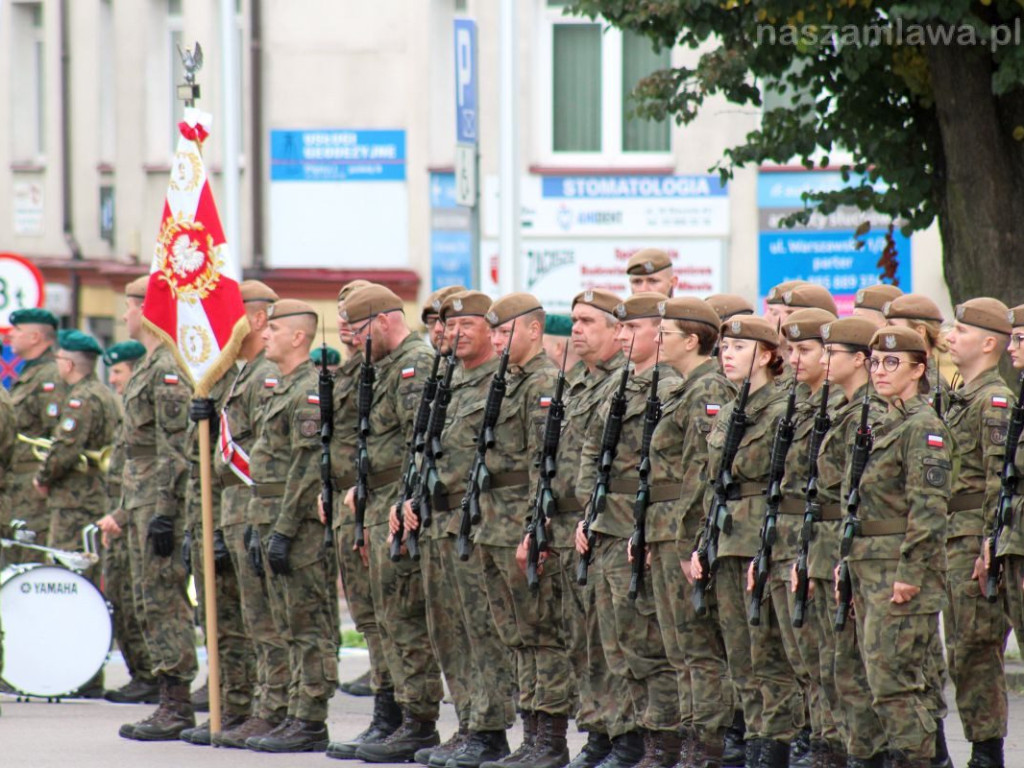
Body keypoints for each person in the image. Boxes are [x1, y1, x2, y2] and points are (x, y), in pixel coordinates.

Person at [334, 284, 443, 762]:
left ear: (382, 320)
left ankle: (416, 721)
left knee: (403, 620)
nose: (355, 341)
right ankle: (390, 714)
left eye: (359, 330)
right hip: (376, 502)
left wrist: (398, 499)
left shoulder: (413, 364)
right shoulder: (378, 367)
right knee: (379, 621)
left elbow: (418, 445)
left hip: (399, 505)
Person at [575, 292, 682, 767]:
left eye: (631, 328)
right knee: (616, 644)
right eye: (618, 328)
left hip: (643, 528)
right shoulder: (623, 384)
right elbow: (594, 456)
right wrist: (588, 516)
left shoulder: (672, 387)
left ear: (660, 332)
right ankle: (631, 737)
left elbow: (672, 472)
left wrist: (655, 531)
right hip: (608, 524)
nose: (621, 336)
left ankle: (660, 744)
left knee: (647, 645)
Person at [844, 325, 954, 768]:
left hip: (897, 572)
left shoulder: (924, 427)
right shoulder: (888, 422)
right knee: (877, 681)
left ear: (919, 369)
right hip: (869, 567)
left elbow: (928, 510)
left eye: (893, 362)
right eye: (875, 362)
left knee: (896, 686)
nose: (880, 370)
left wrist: (910, 573)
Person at [421, 290, 518, 768]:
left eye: (467, 327)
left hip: (477, 520)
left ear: (491, 331)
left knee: (483, 629)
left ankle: (490, 728)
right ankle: (467, 721)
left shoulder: (499, 383)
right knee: (450, 630)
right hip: (438, 518)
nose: (454, 334)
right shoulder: (449, 382)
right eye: (449, 327)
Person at [689, 316, 791, 768]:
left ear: (767, 355)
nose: (726, 354)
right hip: (726, 538)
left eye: (739, 347)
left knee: (769, 653)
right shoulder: (732, 409)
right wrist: (700, 543)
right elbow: (714, 483)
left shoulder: (783, 409)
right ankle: (753, 741)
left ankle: (776, 746)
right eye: (724, 346)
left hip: (760, 540)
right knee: (740, 654)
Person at [244, 299, 336, 753]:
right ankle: (292, 711)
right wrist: (255, 521)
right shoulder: (279, 386)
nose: (264, 335)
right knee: (283, 624)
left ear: (299, 337)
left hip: (296, 522)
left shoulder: (309, 389)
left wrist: (282, 527)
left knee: (306, 623)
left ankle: (310, 718)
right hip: (267, 514)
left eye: (274, 328)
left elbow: (307, 467)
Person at [648, 297, 735, 768]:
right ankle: (689, 737)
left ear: (692, 340)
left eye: (665, 332)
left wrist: (691, 542)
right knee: (679, 645)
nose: (657, 339)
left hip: (685, 533)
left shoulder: (708, 391)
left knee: (697, 647)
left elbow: (702, 474)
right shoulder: (683, 388)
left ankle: (707, 745)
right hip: (665, 529)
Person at [802, 317, 887, 767]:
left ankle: (866, 754)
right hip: (826, 540)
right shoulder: (839, 408)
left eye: (833, 353)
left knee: (854, 666)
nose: (824, 358)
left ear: (859, 360)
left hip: (851, 543)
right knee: (833, 664)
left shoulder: (870, 414)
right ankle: (845, 750)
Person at [211, 279, 291, 750]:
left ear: (258, 319)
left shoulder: (266, 374)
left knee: (266, 619)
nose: (225, 323)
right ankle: (255, 705)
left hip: (257, 507)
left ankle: (274, 708)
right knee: (247, 617)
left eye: (232, 313)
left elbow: (267, 452)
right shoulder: (242, 371)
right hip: (236, 508)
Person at [118, 276, 198, 742]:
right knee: (147, 598)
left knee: (163, 599)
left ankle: (176, 702)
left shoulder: (169, 365)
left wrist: (166, 509)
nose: (126, 315)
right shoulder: (151, 363)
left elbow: (175, 448)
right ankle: (169, 697)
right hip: (140, 495)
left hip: (157, 499)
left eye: (130, 307)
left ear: (147, 309)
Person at [941, 298, 1013, 768]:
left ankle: (986, 754)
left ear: (989, 343)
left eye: (962, 331)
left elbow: (999, 479)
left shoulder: (992, 400)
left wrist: (990, 542)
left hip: (973, 539)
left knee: (974, 650)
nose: (952, 336)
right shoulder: (963, 395)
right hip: (954, 535)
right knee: (960, 650)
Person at [33, 329, 121, 698]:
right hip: (95, 498)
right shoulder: (104, 394)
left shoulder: (81, 399)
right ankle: (87, 671)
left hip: (75, 502)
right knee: (88, 583)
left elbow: (66, 449)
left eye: (59, 361)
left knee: (71, 586)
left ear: (69, 364)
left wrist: (42, 476)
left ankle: (81, 673)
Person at [770, 308, 838, 768]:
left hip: (823, 538)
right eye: (790, 350)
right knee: (801, 654)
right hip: (786, 535)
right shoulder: (792, 403)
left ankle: (832, 746)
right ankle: (815, 739)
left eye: (806, 350)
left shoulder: (841, 409)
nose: (795, 359)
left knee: (826, 656)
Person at [97, 340, 160, 705]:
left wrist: (122, 513)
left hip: (140, 512)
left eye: (118, 372)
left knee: (147, 599)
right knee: (126, 595)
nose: (114, 380)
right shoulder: (127, 410)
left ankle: (156, 680)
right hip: (125, 511)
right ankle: (145, 675)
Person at [6, 307, 65, 559]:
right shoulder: (29, 373)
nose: (10, 335)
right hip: (17, 487)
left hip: (33, 489)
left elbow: (57, 434)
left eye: (18, 330)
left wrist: (44, 479)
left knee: (30, 559)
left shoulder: (50, 375)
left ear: (35, 337)